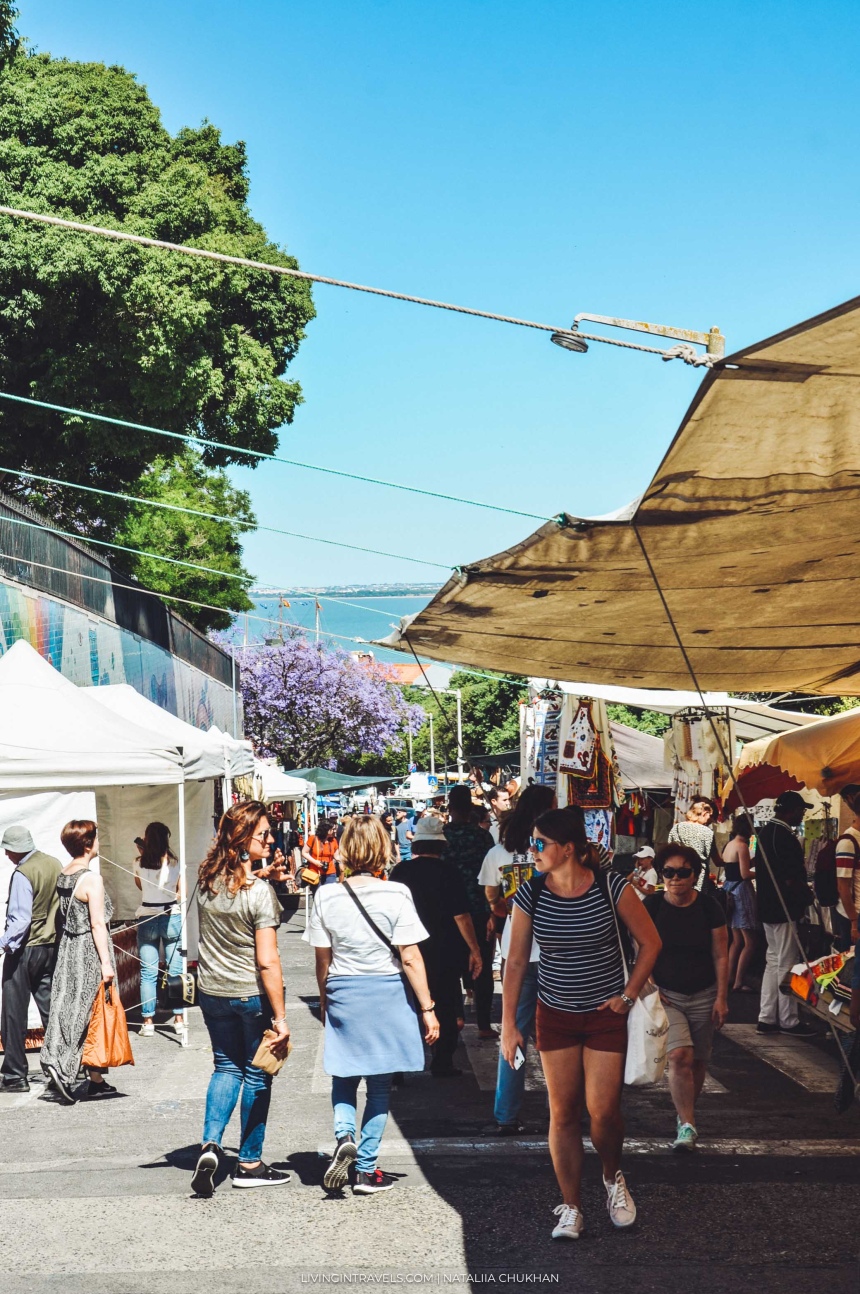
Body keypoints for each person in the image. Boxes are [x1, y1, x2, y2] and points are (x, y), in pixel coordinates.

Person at [501, 807, 661, 1241]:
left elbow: (650, 943)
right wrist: (508, 1025)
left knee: (603, 1112)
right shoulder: (530, 894)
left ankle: (612, 1176)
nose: (531, 851)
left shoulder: (611, 886)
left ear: (567, 849)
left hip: (605, 1014)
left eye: (539, 844)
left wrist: (628, 995)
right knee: (562, 1112)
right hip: (554, 1013)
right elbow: (514, 961)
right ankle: (571, 1206)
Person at [306, 816, 439, 1195]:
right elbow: (410, 956)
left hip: (344, 990)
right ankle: (365, 1170)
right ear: (383, 847)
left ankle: (344, 1134)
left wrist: (324, 999)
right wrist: (428, 1007)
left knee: (344, 1076)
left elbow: (323, 959)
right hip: (387, 991)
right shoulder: (396, 893)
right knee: (380, 1087)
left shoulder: (326, 895)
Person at [191, 801, 291, 1196]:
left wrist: (261, 873)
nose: (270, 839)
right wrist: (281, 1016)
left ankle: (211, 1145)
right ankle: (249, 1161)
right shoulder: (259, 893)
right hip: (250, 994)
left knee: (225, 1068)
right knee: (256, 1073)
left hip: (212, 991)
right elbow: (267, 962)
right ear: (242, 839)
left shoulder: (205, 881)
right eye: (263, 834)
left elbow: (234, 890)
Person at [479, 782, 556, 1133]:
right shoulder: (557, 852)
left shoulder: (499, 852)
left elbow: (492, 899)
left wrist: (506, 911)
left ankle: (506, 1115)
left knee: (514, 1033)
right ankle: (567, 1110)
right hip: (558, 950)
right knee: (563, 1035)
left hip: (516, 952)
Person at [644, 844, 728, 1151]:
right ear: (661, 873)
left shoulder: (709, 907)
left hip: (704, 993)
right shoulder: (652, 906)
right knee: (680, 1056)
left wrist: (721, 997)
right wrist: (651, 986)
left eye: (683, 872)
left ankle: (684, 1117)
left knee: (699, 1061)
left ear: (694, 875)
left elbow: (721, 954)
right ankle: (689, 1125)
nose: (675, 878)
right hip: (668, 995)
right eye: (669, 872)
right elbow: (640, 950)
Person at [390, 814, 482, 1077]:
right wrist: (474, 950)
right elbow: (461, 916)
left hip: (409, 946)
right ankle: (442, 1061)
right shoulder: (449, 872)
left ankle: (399, 1065)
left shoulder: (401, 871)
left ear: (417, 844)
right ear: (442, 845)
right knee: (445, 1001)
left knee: (407, 1003)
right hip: (445, 948)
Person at [41, 820, 118, 1104]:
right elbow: (97, 924)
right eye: (96, 838)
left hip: (69, 947)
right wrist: (106, 964)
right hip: (88, 950)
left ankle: (94, 1078)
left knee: (68, 1006)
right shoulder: (90, 879)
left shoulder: (65, 872)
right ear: (88, 843)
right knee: (85, 1011)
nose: (99, 842)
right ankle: (62, 1068)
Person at [0, 825, 62, 1093]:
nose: (6, 855)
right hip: (50, 946)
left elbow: (20, 919)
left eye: (7, 850)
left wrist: (3, 944)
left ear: (14, 849)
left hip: (25, 949)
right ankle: (63, 1066)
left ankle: (15, 1075)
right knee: (51, 1010)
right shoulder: (54, 863)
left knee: (13, 1014)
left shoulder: (23, 872)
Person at [754, 790, 816, 1037]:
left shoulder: (766, 832)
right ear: (790, 810)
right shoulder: (784, 836)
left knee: (773, 961)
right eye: (801, 811)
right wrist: (806, 896)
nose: (802, 815)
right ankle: (788, 1019)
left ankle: (767, 1016)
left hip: (768, 906)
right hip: (783, 907)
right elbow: (791, 878)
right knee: (786, 962)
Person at [444, 786, 496, 1038]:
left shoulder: (442, 837)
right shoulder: (483, 838)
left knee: (452, 967)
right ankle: (485, 1025)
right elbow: (492, 878)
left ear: (450, 807)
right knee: (483, 967)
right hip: (479, 909)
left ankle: (456, 1016)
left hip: (449, 913)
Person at [133, 821, 185, 1039]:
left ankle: (148, 1022)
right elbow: (180, 892)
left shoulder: (137, 862)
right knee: (176, 970)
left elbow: (139, 885)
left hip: (147, 916)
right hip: (171, 915)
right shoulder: (175, 863)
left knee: (148, 972)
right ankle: (179, 1019)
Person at [721, 815, 758, 992]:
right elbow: (744, 874)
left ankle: (729, 978)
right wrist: (762, 873)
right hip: (741, 891)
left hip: (729, 889)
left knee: (736, 941)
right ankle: (738, 981)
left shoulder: (729, 845)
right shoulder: (742, 846)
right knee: (749, 942)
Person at [668, 797, 721, 889]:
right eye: (709, 817)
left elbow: (669, 853)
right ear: (705, 813)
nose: (709, 822)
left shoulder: (676, 828)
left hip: (677, 874)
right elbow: (715, 858)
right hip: (698, 876)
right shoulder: (707, 832)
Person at [302, 818, 340, 886]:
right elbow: (304, 852)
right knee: (317, 895)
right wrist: (315, 862)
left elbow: (336, 856)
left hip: (330, 873)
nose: (334, 831)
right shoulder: (313, 839)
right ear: (326, 829)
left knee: (329, 895)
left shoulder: (333, 841)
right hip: (315, 873)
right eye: (333, 829)